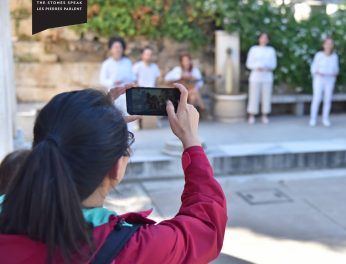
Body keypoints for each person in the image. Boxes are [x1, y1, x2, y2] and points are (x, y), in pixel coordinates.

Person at [0, 83, 227, 263]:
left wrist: (89, 125)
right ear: (116, 168)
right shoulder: (134, 249)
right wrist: (191, 142)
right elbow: (206, 228)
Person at [100, 36, 137, 127]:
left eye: (120, 47)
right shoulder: (107, 64)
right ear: (110, 49)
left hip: (126, 93)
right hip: (114, 94)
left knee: (128, 117)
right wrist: (113, 82)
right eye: (115, 47)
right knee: (114, 117)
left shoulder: (127, 62)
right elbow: (102, 80)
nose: (118, 50)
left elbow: (132, 76)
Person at [246, 32, 277, 124]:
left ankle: (265, 115)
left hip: (267, 76)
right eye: (262, 37)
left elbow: (274, 64)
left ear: (268, 40)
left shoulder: (271, 50)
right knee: (254, 96)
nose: (263, 39)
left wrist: (267, 67)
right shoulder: (253, 49)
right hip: (255, 76)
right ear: (259, 39)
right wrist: (256, 67)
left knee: (266, 96)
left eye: (265, 38)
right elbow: (249, 63)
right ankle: (252, 115)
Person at [309, 37, 339, 127]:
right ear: (323, 45)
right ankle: (313, 119)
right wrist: (318, 73)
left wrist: (333, 73)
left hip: (329, 80)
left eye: (330, 44)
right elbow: (313, 68)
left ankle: (325, 119)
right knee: (317, 98)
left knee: (328, 99)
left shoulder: (334, 57)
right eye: (327, 43)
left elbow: (336, 69)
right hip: (319, 79)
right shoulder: (319, 55)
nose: (329, 45)